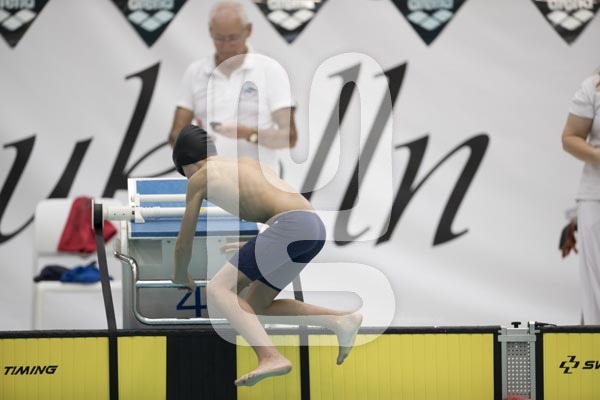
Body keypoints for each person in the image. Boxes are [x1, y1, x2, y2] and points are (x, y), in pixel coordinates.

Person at [170, 125, 362, 386]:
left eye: (185, 175)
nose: (188, 179)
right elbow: (275, 201)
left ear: (187, 165)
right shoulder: (246, 163)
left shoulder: (199, 178)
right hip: (311, 226)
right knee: (258, 304)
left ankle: (270, 356)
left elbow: (183, 242)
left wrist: (180, 274)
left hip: (290, 227)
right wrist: (261, 243)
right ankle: (340, 320)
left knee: (219, 288)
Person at [168, 1, 297, 175]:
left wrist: (249, 134)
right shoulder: (195, 72)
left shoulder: (271, 70)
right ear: (210, 32)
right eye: (219, 38)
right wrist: (194, 140)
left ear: (248, 30)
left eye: (233, 38)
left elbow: (289, 137)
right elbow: (174, 135)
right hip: (210, 181)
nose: (226, 46)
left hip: (260, 183)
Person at [561, 70, 600, 324]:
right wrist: (597, 155)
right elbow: (570, 137)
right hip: (595, 198)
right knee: (596, 293)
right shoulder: (593, 88)